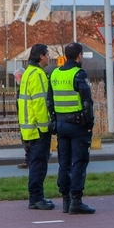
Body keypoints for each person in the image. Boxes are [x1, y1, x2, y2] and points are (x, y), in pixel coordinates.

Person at [48, 42, 96, 215]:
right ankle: (76, 199)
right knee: (80, 161)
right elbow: (87, 102)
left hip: (61, 125)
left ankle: (66, 200)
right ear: (79, 56)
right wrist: (89, 124)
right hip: (77, 125)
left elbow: (50, 102)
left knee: (64, 162)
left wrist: (54, 122)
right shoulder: (78, 74)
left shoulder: (54, 74)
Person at [17, 43, 54, 210]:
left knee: (35, 163)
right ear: (41, 56)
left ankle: (36, 197)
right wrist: (46, 126)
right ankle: (37, 198)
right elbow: (40, 103)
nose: (49, 57)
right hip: (38, 128)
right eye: (47, 54)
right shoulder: (38, 74)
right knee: (39, 164)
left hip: (28, 127)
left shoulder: (28, 73)